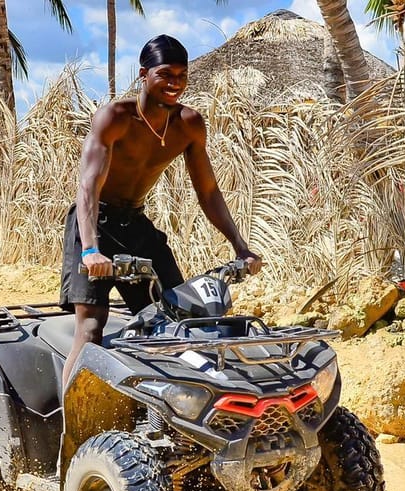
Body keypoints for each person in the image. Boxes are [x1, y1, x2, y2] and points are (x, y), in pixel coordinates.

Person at [59, 34, 262, 385]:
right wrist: (91, 249)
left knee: (177, 321)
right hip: (94, 223)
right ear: (144, 74)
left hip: (135, 224)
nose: (175, 83)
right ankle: (69, 427)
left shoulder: (189, 124)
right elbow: (88, 187)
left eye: (182, 76)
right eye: (166, 74)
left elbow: (209, 191)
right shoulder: (115, 118)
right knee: (91, 327)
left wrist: (239, 245)